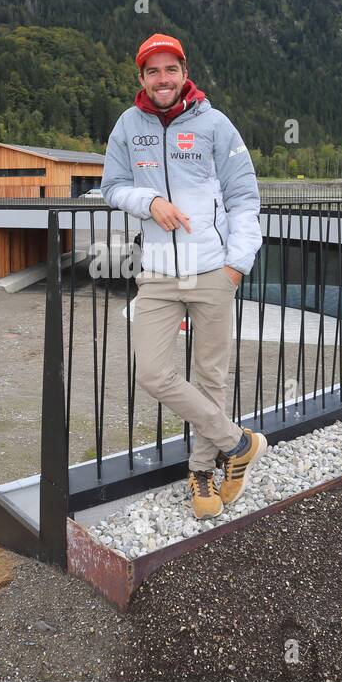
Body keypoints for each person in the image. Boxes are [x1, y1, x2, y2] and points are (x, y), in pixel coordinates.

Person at [101, 33, 267, 520]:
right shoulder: (128, 127)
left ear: (184, 71)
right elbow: (111, 187)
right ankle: (239, 444)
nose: (162, 79)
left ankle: (202, 473)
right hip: (157, 274)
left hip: (214, 270)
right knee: (153, 372)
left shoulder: (216, 125)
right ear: (141, 78)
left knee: (211, 376)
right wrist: (147, 201)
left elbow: (244, 198)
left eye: (169, 69)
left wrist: (238, 265)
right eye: (152, 71)